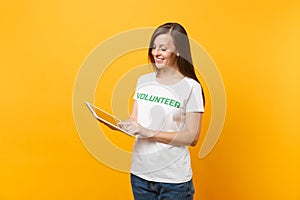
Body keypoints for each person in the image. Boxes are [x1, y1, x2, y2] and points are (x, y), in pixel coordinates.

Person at [119, 22, 205, 200]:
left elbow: (192, 137)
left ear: (178, 51)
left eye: (163, 49)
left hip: (173, 181)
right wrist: (123, 125)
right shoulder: (143, 81)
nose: (156, 53)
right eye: (154, 47)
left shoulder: (191, 87)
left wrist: (149, 132)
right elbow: (134, 120)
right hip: (140, 175)